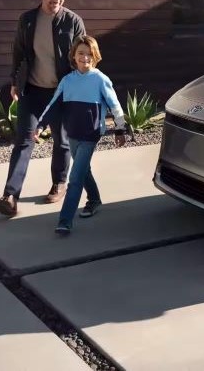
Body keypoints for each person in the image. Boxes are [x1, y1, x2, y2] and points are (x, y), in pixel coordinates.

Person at [0, 0, 86, 217]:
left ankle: (59, 183)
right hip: (32, 90)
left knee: (62, 141)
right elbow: (19, 51)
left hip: (62, 92)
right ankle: (10, 196)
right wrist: (15, 81)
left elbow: (84, 55)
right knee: (24, 140)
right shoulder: (28, 20)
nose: (57, 0)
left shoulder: (73, 21)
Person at [31, 35, 131, 235]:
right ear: (74, 57)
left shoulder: (100, 79)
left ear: (95, 56)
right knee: (83, 170)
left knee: (75, 178)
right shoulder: (67, 81)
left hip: (91, 134)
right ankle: (94, 199)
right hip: (72, 133)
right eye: (81, 53)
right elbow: (53, 104)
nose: (85, 58)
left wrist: (120, 129)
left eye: (89, 54)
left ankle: (65, 221)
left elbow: (115, 106)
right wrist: (40, 124)